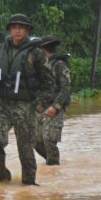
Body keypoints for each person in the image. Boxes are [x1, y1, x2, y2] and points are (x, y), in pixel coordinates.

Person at [0, 14, 55, 185]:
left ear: (27, 30)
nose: (17, 30)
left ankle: (29, 185)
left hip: (26, 106)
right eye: (14, 26)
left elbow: (50, 83)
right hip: (1, 105)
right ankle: (3, 178)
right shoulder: (0, 49)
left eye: (21, 27)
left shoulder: (36, 53)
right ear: (10, 29)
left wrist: (38, 107)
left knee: (25, 148)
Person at [34, 35, 71, 165]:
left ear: (43, 49)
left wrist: (55, 107)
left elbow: (66, 88)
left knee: (49, 140)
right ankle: (52, 163)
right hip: (40, 108)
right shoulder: (40, 65)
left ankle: (53, 168)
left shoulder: (59, 65)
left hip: (56, 108)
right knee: (36, 141)